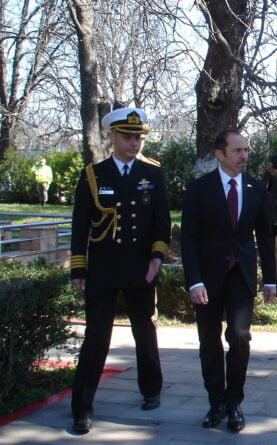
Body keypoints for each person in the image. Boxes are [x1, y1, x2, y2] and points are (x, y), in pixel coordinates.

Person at [69, 107, 170, 434]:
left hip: (140, 267)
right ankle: (82, 408)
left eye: (138, 137)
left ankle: (151, 389)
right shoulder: (93, 175)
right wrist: (78, 269)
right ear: (111, 136)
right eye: (127, 137)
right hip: (104, 268)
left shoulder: (153, 173)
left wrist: (157, 256)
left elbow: (161, 222)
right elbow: (80, 226)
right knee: (97, 337)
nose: (134, 142)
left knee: (145, 330)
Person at [181, 129, 277, 433]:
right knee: (209, 342)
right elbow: (188, 239)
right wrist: (194, 281)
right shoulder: (199, 189)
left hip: (241, 276)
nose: (244, 156)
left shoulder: (256, 188)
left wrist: (270, 279)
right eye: (237, 151)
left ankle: (234, 402)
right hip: (207, 279)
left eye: (246, 150)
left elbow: (265, 236)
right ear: (219, 155)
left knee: (239, 336)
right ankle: (216, 403)